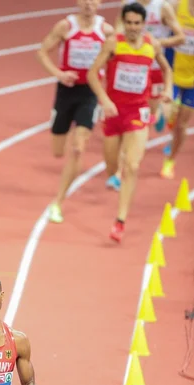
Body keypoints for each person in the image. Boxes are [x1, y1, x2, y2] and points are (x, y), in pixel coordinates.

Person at [87, 2, 173, 242]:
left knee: (133, 166)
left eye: (137, 23)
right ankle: (114, 174)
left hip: (138, 111)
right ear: (123, 23)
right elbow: (92, 73)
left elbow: (167, 69)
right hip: (114, 112)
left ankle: (120, 221)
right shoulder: (114, 43)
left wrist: (166, 90)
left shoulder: (151, 44)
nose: (133, 27)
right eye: (130, 23)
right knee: (112, 168)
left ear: (144, 24)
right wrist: (104, 99)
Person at [36, 0, 114, 224]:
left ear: (99, 3)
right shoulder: (66, 27)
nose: (88, 4)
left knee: (79, 148)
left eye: (93, 0)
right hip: (66, 92)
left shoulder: (107, 31)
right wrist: (58, 74)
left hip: (90, 92)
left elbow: (117, 60)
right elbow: (41, 52)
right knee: (58, 151)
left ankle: (58, 202)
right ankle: (71, 135)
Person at [106, 0, 184, 191]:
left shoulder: (162, 7)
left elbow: (180, 37)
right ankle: (119, 172)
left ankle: (159, 115)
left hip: (155, 69)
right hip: (134, 68)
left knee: (149, 117)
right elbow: (117, 32)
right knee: (130, 124)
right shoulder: (128, 5)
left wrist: (155, 43)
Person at [161, 0, 194, 179]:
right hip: (172, 72)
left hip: (193, 81)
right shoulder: (176, 6)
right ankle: (169, 119)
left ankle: (170, 161)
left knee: (182, 125)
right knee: (167, 113)